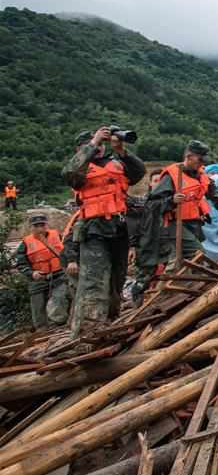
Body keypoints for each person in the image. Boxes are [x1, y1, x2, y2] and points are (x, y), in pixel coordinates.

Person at [63, 127, 145, 336]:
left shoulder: (115, 163)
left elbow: (138, 172)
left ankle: (109, 322)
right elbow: (69, 173)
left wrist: (121, 149)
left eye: (101, 144)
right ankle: (87, 331)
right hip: (94, 229)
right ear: (81, 148)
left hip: (119, 228)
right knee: (94, 282)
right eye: (94, 144)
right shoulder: (81, 167)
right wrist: (94, 141)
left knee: (116, 281)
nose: (99, 147)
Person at [132, 141, 218, 306]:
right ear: (189, 157)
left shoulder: (202, 174)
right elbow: (152, 203)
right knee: (198, 255)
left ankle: (167, 295)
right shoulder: (171, 175)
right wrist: (171, 200)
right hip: (174, 225)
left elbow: (214, 194)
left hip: (194, 224)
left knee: (178, 261)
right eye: (200, 160)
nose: (202, 163)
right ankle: (163, 296)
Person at [16, 213, 70, 329]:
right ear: (31, 227)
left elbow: (69, 251)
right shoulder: (26, 243)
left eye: (42, 225)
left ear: (47, 225)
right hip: (38, 278)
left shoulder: (58, 236)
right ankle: (41, 330)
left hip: (59, 275)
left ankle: (59, 325)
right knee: (38, 306)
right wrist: (32, 273)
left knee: (59, 298)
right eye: (36, 226)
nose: (40, 228)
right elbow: (20, 263)